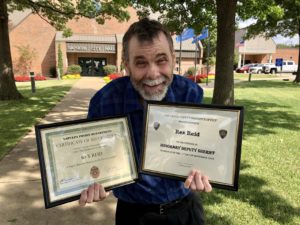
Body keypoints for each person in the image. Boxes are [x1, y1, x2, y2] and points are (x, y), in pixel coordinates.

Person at [79, 18, 212, 225]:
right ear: (127, 65)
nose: (153, 73)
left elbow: (200, 147)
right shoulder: (105, 102)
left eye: (161, 60)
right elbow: (91, 161)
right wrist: (92, 181)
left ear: (173, 59)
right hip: (133, 215)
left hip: (185, 210)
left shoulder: (189, 93)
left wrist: (204, 168)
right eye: (141, 62)